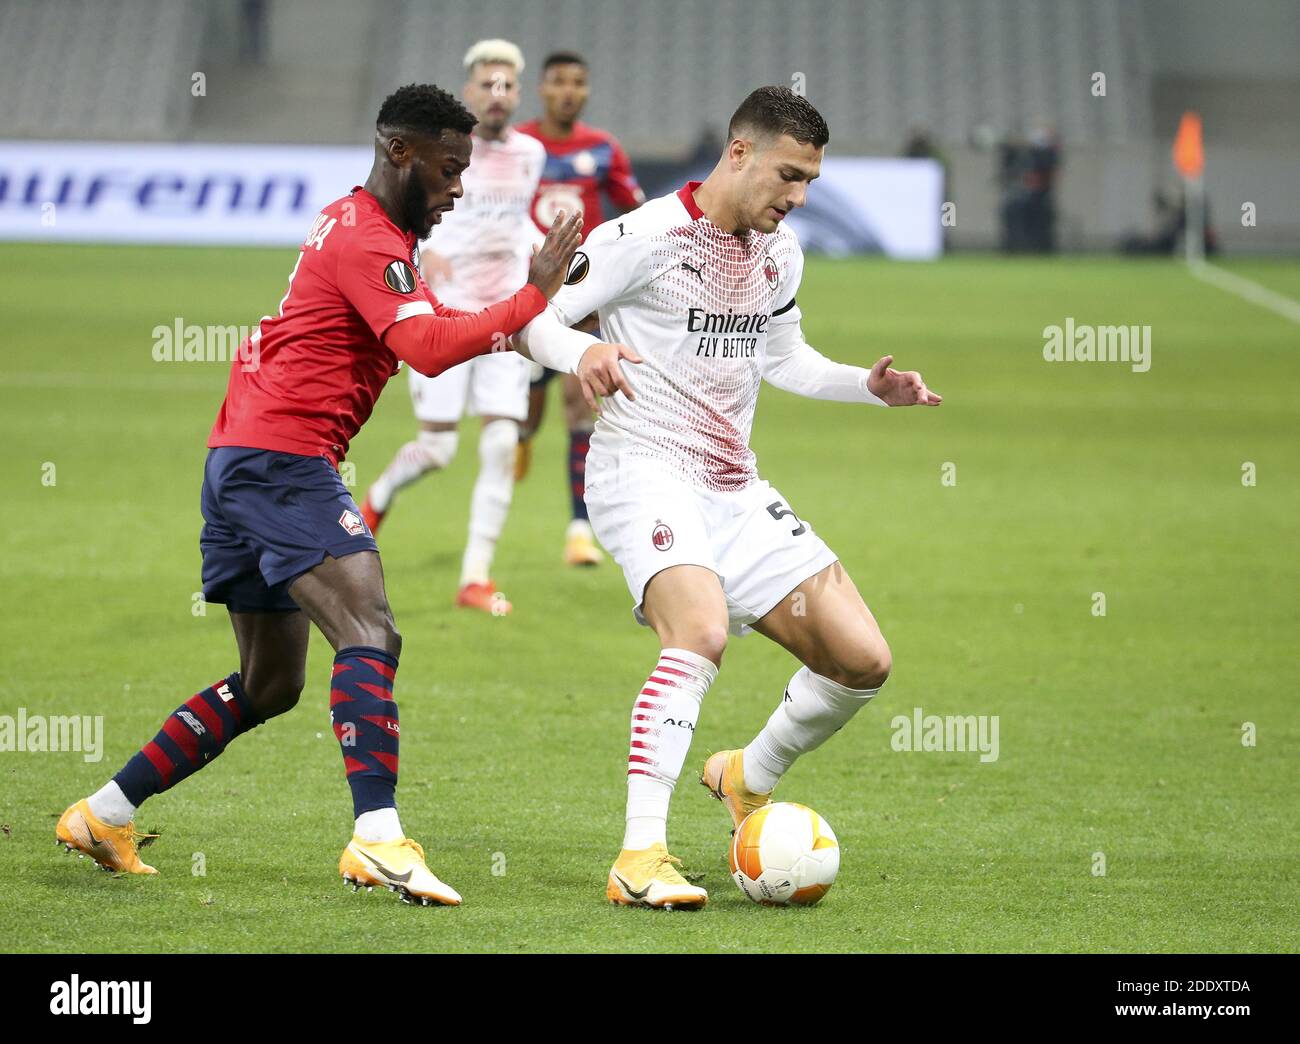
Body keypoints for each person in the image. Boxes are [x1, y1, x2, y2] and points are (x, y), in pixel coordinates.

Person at [55, 83, 582, 906]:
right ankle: (377, 839)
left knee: (270, 685)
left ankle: (104, 812)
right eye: (448, 170)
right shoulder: (370, 239)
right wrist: (532, 292)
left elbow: (436, 320)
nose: (456, 191)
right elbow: (429, 348)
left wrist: (531, 319)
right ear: (399, 152)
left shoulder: (357, 223)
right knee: (370, 628)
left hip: (243, 455)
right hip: (282, 460)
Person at [517, 86, 942, 909]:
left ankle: (747, 775)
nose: (799, 197)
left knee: (862, 661)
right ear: (738, 152)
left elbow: (783, 357)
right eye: (790, 175)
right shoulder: (640, 237)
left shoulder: (781, 252)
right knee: (701, 632)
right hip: (641, 468)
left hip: (734, 483)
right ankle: (639, 856)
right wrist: (581, 357)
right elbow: (535, 320)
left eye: (812, 181)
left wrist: (867, 387)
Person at [361, 41, 546, 615]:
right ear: (469, 92)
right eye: (487, 85)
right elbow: (397, 208)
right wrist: (422, 257)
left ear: (518, 94)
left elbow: (518, 221)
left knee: (499, 443)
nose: (498, 95)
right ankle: (379, 497)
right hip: (442, 313)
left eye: (507, 86)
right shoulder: (439, 151)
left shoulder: (531, 154)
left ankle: (475, 578)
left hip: (505, 318)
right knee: (438, 448)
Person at [514, 51, 645, 567]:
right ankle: (521, 439)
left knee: (579, 411)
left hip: (582, 299)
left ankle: (577, 533)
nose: (568, 91)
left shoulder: (603, 149)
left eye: (577, 82)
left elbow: (637, 215)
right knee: (525, 416)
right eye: (558, 82)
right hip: (523, 299)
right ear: (541, 89)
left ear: (586, 91)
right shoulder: (517, 148)